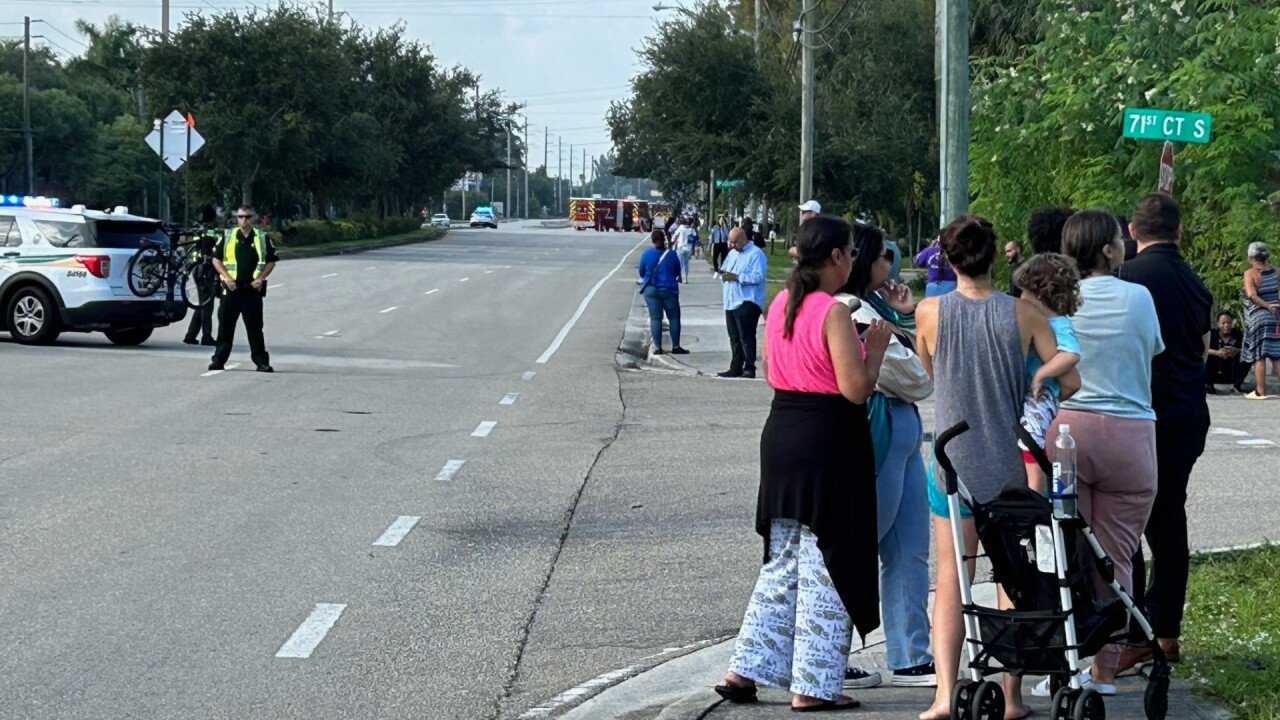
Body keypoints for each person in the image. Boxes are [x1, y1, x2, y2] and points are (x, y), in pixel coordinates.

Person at [716, 215, 891, 712]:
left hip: (783, 433)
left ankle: (744, 668)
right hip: (829, 439)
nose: (853, 261)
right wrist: (873, 352)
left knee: (783, 560)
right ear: (834, 257)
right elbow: (855, 390)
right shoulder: (832, 312)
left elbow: (775, 371)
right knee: (827, 561)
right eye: (851, 253)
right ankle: (812, 685)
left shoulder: (781, 303)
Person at [914, 214, 1066, 720]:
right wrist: (1036, 375)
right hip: (1007, 464)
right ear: (996, 256)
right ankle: (1012, 696)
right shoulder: (1024, 315)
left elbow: (931, 369)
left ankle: (942, 695)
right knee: (1011, 580)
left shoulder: (929, 311)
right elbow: (1074, 379)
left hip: (951, 464)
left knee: (952, 580)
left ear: (948, 259)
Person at [1032, 210, 1164, 697]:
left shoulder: (1055, 301)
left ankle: (1062, 664)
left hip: (1068, 433)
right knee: (1117, 557)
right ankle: (1105, 671)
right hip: (1131, 435)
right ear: (1108, 250)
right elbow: (1151, 350)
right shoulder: (1140, 298)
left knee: (1065, 551)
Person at [835, 224, 937, 691]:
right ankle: (829, 654)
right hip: (877, 436)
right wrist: (905, 330)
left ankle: (911, 654)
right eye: (879, 257)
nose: (888, 267)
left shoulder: (877, 307)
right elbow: (918, 378)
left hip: (903, 439)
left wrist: (905, 317)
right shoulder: (850, 310)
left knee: (910, 550)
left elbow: (915, 369)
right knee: (854, 550)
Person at [1116, 193, 1212, 672]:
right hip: (1188, 413)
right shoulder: (1195, 282)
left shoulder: (1128, 280)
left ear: (1132, 233)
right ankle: (1167, 633)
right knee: (1169, 520)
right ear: (1177, 231)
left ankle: (1136, 631)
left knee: (1127, 522)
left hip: (1144, 412)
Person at [1013, 253, 1082, 492]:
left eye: (1025, 293)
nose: (1021, 299)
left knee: (1031, 434)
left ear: (1041, 295)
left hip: (1043, 394)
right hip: (1035, 392)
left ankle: (1035, 485)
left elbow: (1071, 354)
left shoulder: (1059, 324)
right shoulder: (1044, 320)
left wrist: (1042, 374)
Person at [209, 205, 278, 373]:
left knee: (255, 329)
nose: (244, 220)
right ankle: (218, 360)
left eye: (247, 217)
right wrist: (226, 278)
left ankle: (261, 362)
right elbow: (216, 260)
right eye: (240, 216)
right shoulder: (228, 236)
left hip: (252, 290)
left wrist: (261, 278)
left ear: (253, 218)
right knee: (225, 328)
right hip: (231, 289)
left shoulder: (262, 238)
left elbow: (271, 261)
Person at [718, 227, 768, 379]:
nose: (732, 245)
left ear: (743, 240)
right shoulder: (732, 253)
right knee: (734, 336)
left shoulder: (756, 254)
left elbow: (758, 277)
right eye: (730, 242)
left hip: (747, 300)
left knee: (746, 336)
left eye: (734, 242)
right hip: (731, 300)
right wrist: (724, 275)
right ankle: (736, 366)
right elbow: (725, 269)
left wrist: (738, 277)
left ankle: (749, 366)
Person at [637, 229, 687, 356]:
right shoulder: (671, 254)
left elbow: (642, 272)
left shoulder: (646, 254)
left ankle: (658, 348)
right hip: (668, 289)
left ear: (652, 240)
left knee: (655, 318)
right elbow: (677, 271)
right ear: (664, 240)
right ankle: (676, 346)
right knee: (674, 318)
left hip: (651, 289)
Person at [1240, 241, 1280, 399]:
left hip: (1259, 316)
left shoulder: (1250, 273)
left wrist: (1267, 305)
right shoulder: (1277, 271)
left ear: (1250, 257)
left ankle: (1260, 391)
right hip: (1275, 318)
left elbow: (1251, 295)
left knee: (1259, 355)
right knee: (1277, 354)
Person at [183, 228, 219, 346]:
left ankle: (191, 335)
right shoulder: (211, 233)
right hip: (205, 272)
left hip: (198, 270)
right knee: (207, 306)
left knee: (202, 305)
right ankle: (206, 336)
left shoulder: (200, 232)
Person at [1206, 311, 1248, 394]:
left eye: (1228, 323)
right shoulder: (1211, 334)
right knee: (1208, 356)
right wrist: (1217, 352)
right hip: (1215, 369)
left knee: (1245, 356)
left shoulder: (1237, 334)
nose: (1226, 326)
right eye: (1223, 323)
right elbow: (1201, 349)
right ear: (1217, 324)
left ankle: (1237, 385)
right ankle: (1209, 385)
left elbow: (1248, 349)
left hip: (1231, 370)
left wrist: (1236, 350)